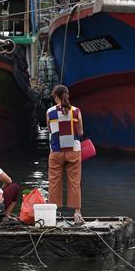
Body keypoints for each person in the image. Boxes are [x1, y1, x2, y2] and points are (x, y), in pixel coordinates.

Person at [46, 84, 84, 224]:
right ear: (67, 95)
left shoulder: (50, 111)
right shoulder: (76, 111)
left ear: (56, 97)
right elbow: (80, 132)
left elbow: (50, 130)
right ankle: (77, 214)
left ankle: (53, 214)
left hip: (56, 151)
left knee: (54, 182)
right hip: (73, 150)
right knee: (74, 182)